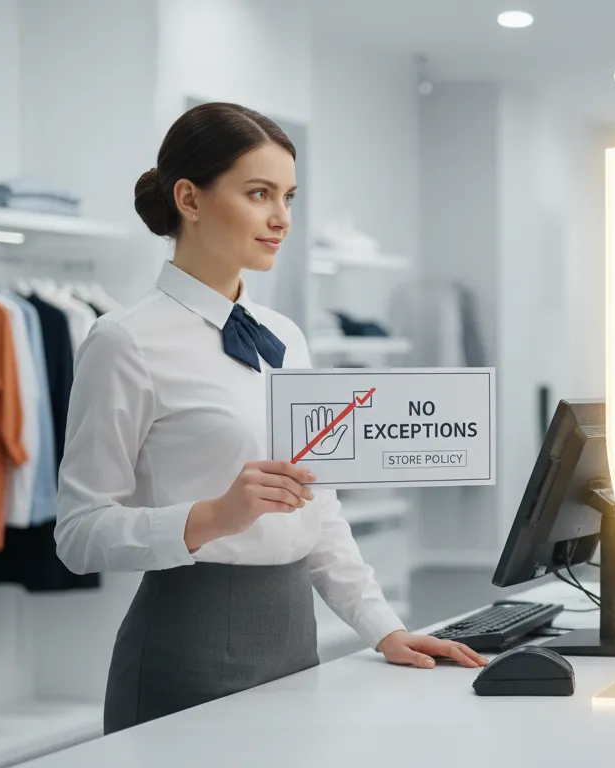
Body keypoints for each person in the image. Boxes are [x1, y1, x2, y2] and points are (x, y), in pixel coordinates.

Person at [55, 102, 487, 735]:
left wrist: (386, 629)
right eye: (259, 194)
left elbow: (322, 512)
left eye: (287, 195)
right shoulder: (123, 341)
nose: (281, 218)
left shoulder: (285, 337)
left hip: (294, 643)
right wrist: (213, 516)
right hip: (185, 650)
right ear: (190, 199)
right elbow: (78, 534)